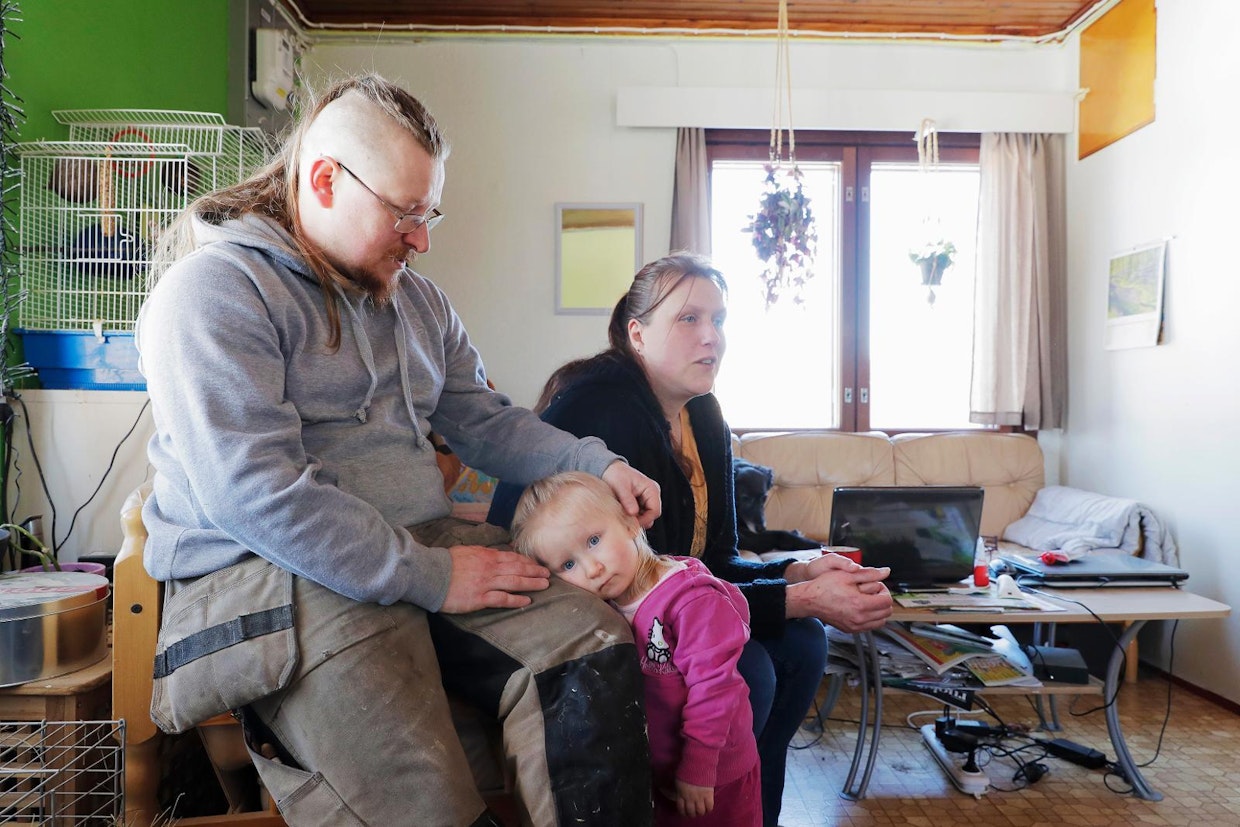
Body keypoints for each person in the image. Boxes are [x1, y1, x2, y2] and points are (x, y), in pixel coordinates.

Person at [135, 74, 663, 827]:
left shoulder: (420, 302)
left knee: (593, 646)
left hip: (417, 544)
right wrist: (431, 576)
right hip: (271, 570)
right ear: (325, 180)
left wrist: (594, 463)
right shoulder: (213, 293)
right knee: (423, 792)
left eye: (429, 213)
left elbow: (484, 421)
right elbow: (254, 491)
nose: (422, 239)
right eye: (405, 214)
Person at [488, 252, 894, 827]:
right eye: (688, 319)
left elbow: (712, 563)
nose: (712, 337)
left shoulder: (703, 415)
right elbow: (658, 586)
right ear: (637, 334)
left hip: (668, 598)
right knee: (751, 670)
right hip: (593, 611)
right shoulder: (608, 409)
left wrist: (798, 573)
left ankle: (751, 811)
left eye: (718, 320)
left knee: (803, 645)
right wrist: (801, 597)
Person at [510, 472, 760, 827]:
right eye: (568, 565)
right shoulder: (606, 606)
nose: (592, 568)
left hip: (713, 777)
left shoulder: (691, 602)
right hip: (656, 774)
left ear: (629, 523)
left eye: (594, 540)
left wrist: (698, 768)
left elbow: (716, 691)